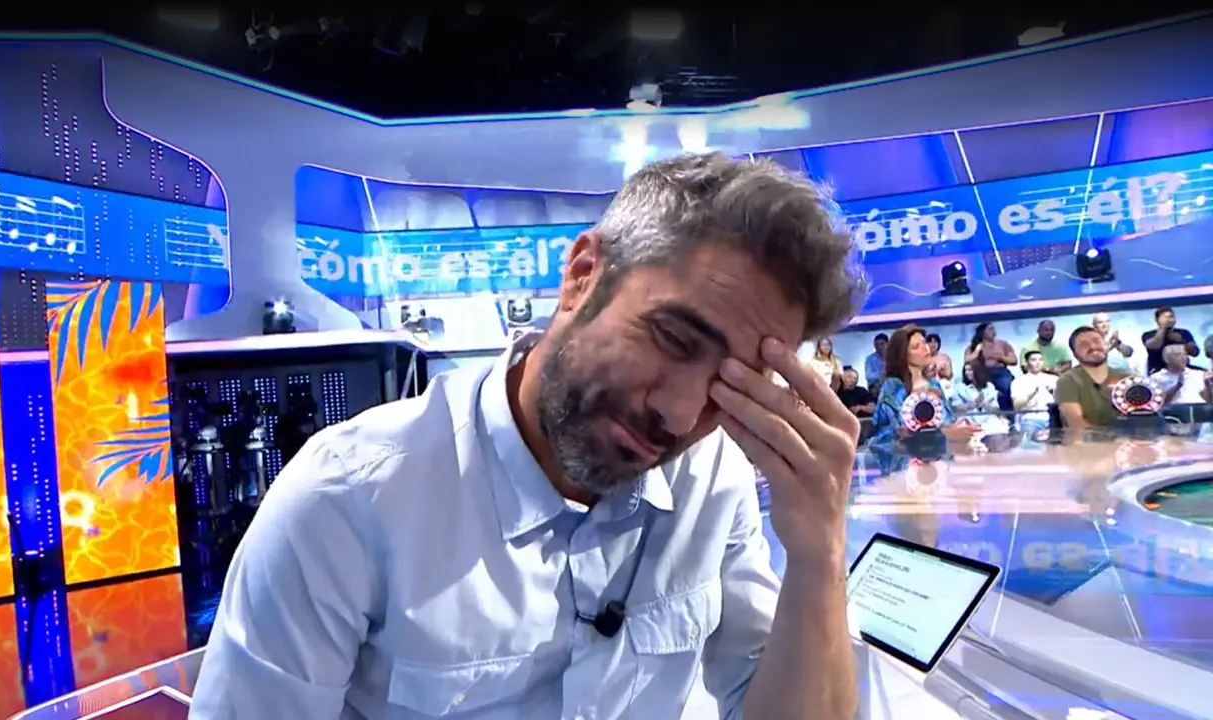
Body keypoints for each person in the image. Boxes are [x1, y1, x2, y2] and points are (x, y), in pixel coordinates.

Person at [189, 153, 864, 720]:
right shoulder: (347, 501)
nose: (683, 416)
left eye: (730, 384)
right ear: (582, 277)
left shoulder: (712, 481)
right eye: (673, 339)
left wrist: (818, 555)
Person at [870, 324, 976, 445]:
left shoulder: (934, 385)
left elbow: (947, 421)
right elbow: (892, 432)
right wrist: (943, 434)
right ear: (903, 354)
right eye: (916, 347)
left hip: (939, 453)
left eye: (924, 343)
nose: (925, 348)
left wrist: (960, 428)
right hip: (905, 454)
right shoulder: (893, 386)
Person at [1055, 326, 1134, 429]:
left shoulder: (1128, 379)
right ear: (1075, 354)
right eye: (1084, 345)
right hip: (1088, 439)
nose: (1093, 347)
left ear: (1106, 345)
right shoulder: (1068, 381)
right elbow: (1077, 424)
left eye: (1097, 341)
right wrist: (1114, 437)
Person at [963, 322, 1017, 412]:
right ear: (982, 331)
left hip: (1000, 371)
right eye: (990, 329)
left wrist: (1001, 357)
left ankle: (1009, 411)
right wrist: (977, 351)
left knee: (1007, 385)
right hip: (980, 373)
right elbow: (967, 360)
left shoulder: (1003, 344)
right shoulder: (974, 346)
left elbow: (1014, 360)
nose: (993, 331)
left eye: (993, 328)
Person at [948, 361, 1008, 435]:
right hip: (969, 421)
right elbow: (955, 408)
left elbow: (996, 410)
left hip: (988, 421)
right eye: (965, 370)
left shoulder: (989, 387)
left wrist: (985, 404)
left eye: (969, 370)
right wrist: (971, 405)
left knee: (1001, 427)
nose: (966, 373)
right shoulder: (960, 387)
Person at [1009, 350, 1059, 431]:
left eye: (1040, 360)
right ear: (1026, 362)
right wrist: (1031, 395)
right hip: (1029, 419)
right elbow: (1016, 406)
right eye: (1034, 360)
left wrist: (1054, 393)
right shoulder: (1018, 381)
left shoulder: (1054, 379)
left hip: (1051, 418)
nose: (1038, 362)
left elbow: (1064, 401)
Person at [1141, 306, 1199, 375]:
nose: (1169, 319)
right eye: (1165, 317)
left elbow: (1195, 353)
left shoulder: (1183, 333)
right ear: (1157, 320)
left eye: (1171, 317)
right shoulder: (1148, 334)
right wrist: (1162, 328)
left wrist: (1183, 342)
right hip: (1157, 371)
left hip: (1183, 370)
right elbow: (1154, 346)